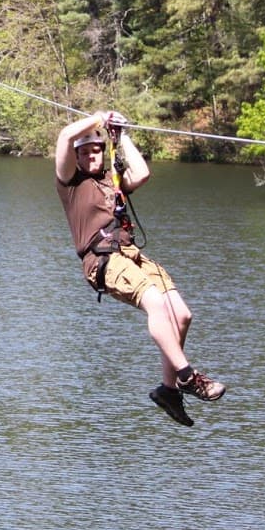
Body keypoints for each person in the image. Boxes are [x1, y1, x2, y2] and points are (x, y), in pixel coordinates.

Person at [54, 110, 225, 427]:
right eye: (85, 152)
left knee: (181, 314)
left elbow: (142, 173)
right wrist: (97, 118)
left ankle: (168, 390)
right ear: (76, 157)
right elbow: (65, 136)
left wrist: (122, 136)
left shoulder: (110, 180)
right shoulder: (71, 183)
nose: (92, 156)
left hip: (130, 254)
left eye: (96, 150)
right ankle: (187, 376)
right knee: (155, 303)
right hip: (103, 259)